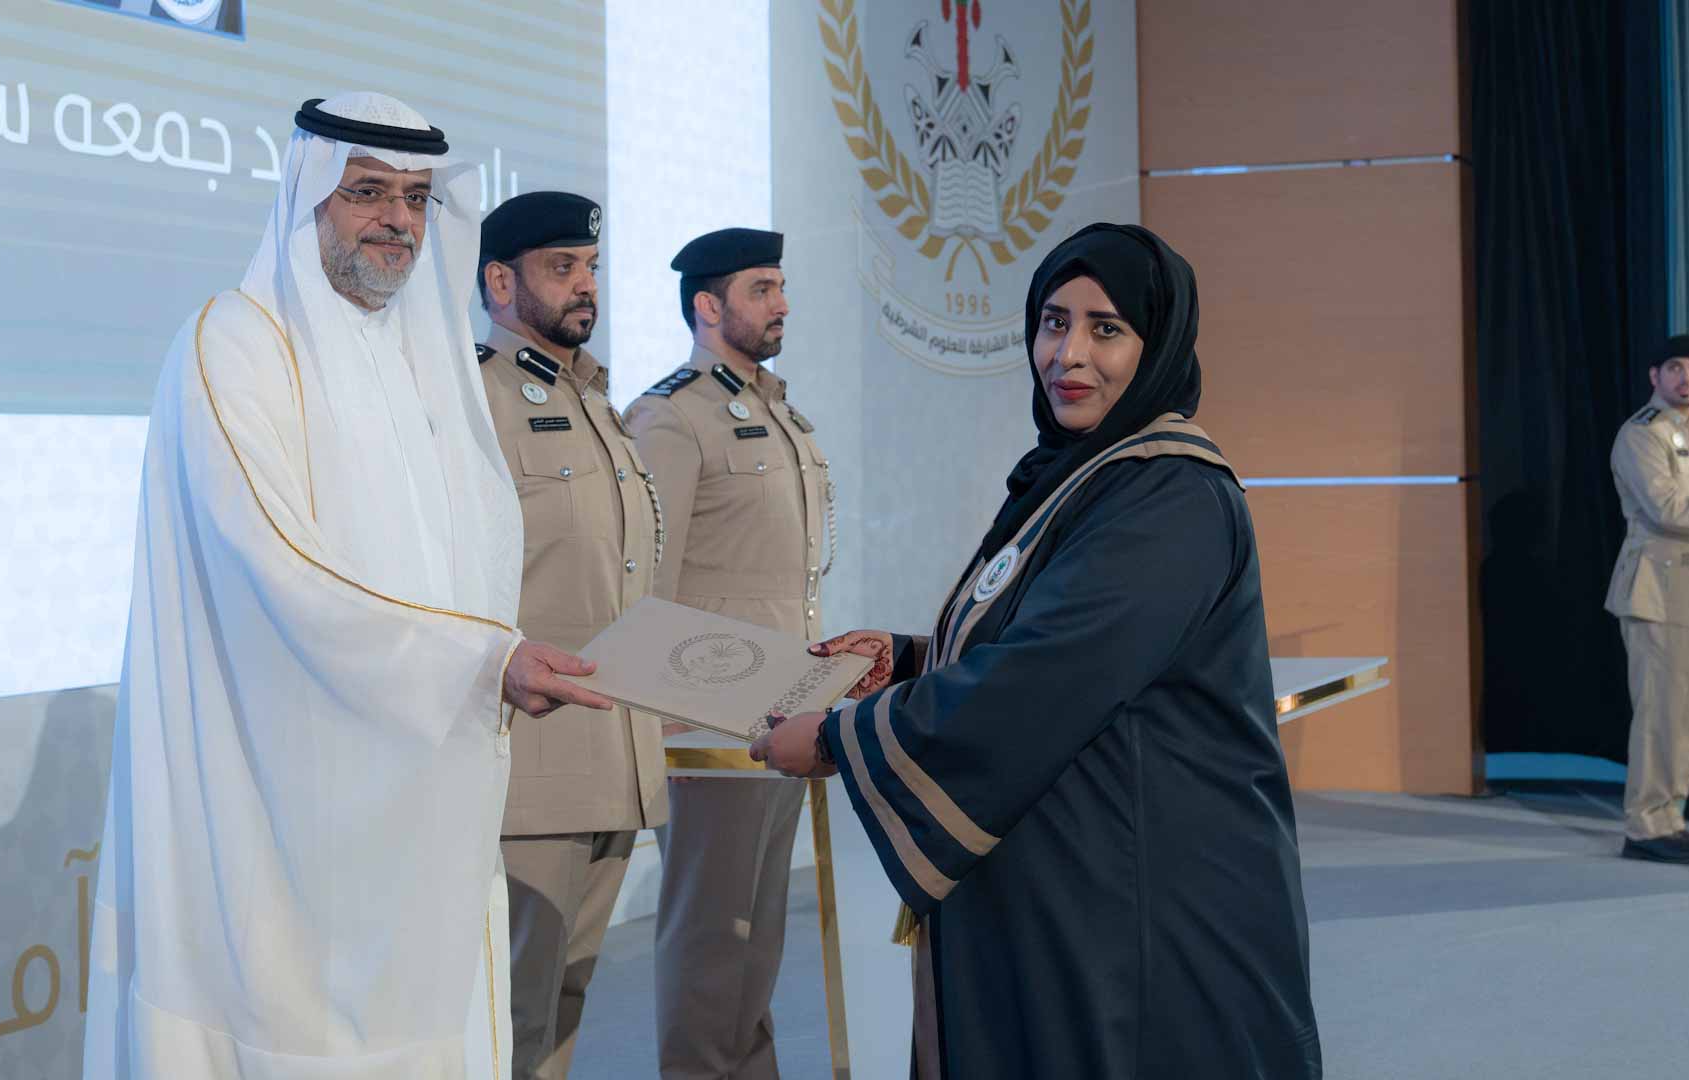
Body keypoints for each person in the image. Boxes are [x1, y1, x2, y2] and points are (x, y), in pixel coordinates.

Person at [83, 93, 611, 1080]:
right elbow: (276, 563)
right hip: (281, 794)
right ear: (310, 196)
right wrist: (480, 664)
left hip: (422, 778)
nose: (397, 220)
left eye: (415, 197)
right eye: (367, 191)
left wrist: (486, 662)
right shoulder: (234, 343)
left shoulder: (422, 359)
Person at [751, 224, 1321, 1078]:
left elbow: (1045, 674)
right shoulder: (1085, 475)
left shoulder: (1170, 493)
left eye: (1106, 328)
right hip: (1083, 888)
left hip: (1146, 909)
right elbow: (1051, 634)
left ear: (1158, 344)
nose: (1068, 354)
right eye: (1054, 322)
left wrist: (839, 737)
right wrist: (910, 657)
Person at [623, 227, 833, 1079]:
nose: (781, 304)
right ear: (708, 307)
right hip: (708, 724)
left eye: (781, 286)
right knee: (711, 936)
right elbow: (647, 584)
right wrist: (667, 724)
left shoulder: (781, 414)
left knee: (757, 936)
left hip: (784, 711)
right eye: (761, 289)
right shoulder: (671, 418)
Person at [474, 190, 669, 1078]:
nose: (586, 285)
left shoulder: (598, 403)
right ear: (499, 281)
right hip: (528, 773)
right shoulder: (473, 399)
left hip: (614, 760)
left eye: (590, 267)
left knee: (564, 1006)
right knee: (510, 1018)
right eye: (562, 268)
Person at [1605, 333, 1689, 864]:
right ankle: (1645, 827)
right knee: (1658, 712)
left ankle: (1669, 818)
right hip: (1656, 587)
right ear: (1654, 376)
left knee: (1684, 713)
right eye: (1674, 368)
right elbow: (1670, 510)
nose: (1685, 378)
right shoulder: (1641, 434)